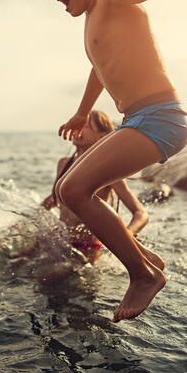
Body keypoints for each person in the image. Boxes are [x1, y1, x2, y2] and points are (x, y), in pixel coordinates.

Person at [40, 0, 187, 322]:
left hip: (160, 117)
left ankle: (142, 275)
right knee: (68, 185)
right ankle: (141, 256)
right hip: (141, 118)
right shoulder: (94, 18)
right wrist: (81, 111)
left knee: (72, 188)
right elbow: (99, 70)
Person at [42, 110, 149, 265]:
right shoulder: (64, 164)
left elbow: (141, 213)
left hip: (89, 246)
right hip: (61, 242)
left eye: (85, 126)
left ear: (102, 136)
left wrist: (128, 235)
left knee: (56, 278)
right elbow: (54, 200)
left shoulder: (107, 169)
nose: (78, 128)